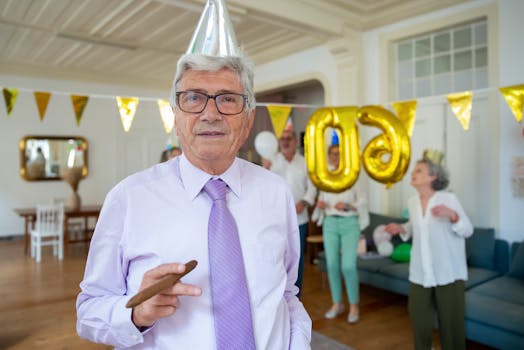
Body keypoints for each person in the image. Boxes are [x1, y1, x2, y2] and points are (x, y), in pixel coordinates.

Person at [76, 53, 311, 349]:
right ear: (176, 117)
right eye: (193, 98)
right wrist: (135, 314)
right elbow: (88, 311)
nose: (210, 114)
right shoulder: (128, 199)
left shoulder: (276, 192)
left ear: (248, 120)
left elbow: (287, 294)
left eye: (227, 99)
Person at [384, 152, 473, 350]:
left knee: (452, 330)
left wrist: (453, 216)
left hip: (448, 273)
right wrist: (403, 228)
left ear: (432, 177)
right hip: (419, 274)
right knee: (419, 324)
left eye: (419, 170)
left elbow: (468, 229)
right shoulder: (413, 202)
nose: (413, 173)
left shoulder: (448, 199)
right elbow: (417, 226)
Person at [314, 144, 368, 323]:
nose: (335, 157)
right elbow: (322, 199)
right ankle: (337, 303)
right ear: (328, 156)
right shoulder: (325, 177)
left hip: (349, 223)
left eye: (338, 154)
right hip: (330, 223)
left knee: (348, 266)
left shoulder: (353, 176)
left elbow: (363, 202)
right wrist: (320, 203)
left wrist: (347, 205)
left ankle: (354, 305)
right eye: (332, 154)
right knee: (332, 265)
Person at [264, 129, 317, 297]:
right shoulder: (271, 162)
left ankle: (295, 298)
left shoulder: (305, 162)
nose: (285, 141)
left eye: (289, 138)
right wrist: (264, 170)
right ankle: (277, 298)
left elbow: (313, 187)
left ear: (295, 142)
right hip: (275, 220)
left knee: (296, 261)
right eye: (282, 139)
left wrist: (305, 202)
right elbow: (261, 187)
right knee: (276, 259)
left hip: (298, 220)